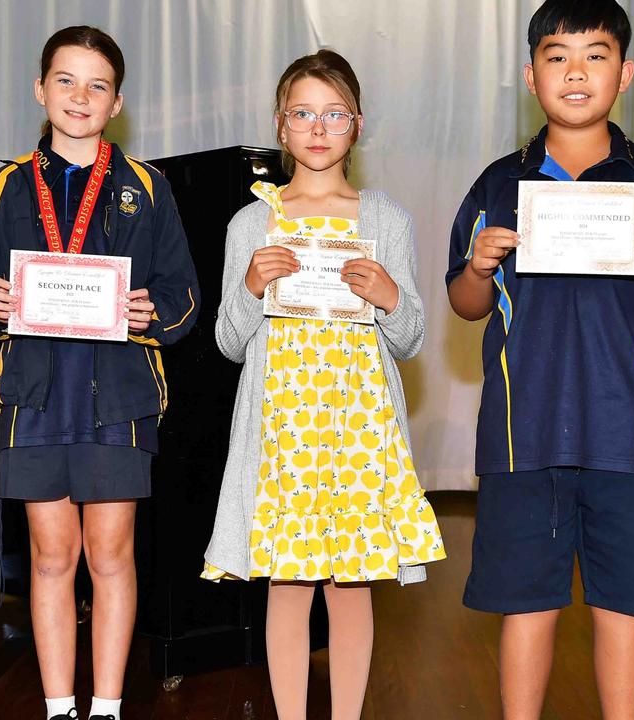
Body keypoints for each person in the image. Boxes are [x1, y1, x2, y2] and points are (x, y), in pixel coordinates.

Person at [444, 1, 634, 717]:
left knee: (624, 605)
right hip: (520, 432)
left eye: (595, 55)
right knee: (525, 603)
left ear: (623, 74)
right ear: (530, 75)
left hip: (632, 433)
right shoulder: (497, 184)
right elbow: (467, 304)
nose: (575, 71)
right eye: (557, 55)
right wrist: (476, 267)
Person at [0, 25, 199, 720]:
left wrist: (156, 311)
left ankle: (109, 706)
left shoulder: (147, 188)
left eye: (97, 84)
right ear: (40, 89)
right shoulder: (2, 188)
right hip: (34, 397)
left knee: (111, 555)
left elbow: (183, 293)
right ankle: (61, 706)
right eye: (65, 80)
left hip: (118, 397)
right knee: (51, 557)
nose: (80, 96)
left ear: (117, 101)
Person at [201, 49, 445, 720]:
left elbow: (412, 338)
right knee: (288, 581)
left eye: (333, 114)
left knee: (350, 583)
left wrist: (392, 296)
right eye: (303, 113)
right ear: (280, 126)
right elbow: (226, 338)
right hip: (283, 427)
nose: (318, 127)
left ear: (357, 125)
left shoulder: (384, 220)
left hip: (356, 428)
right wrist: (251, 286)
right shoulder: (253, 222)